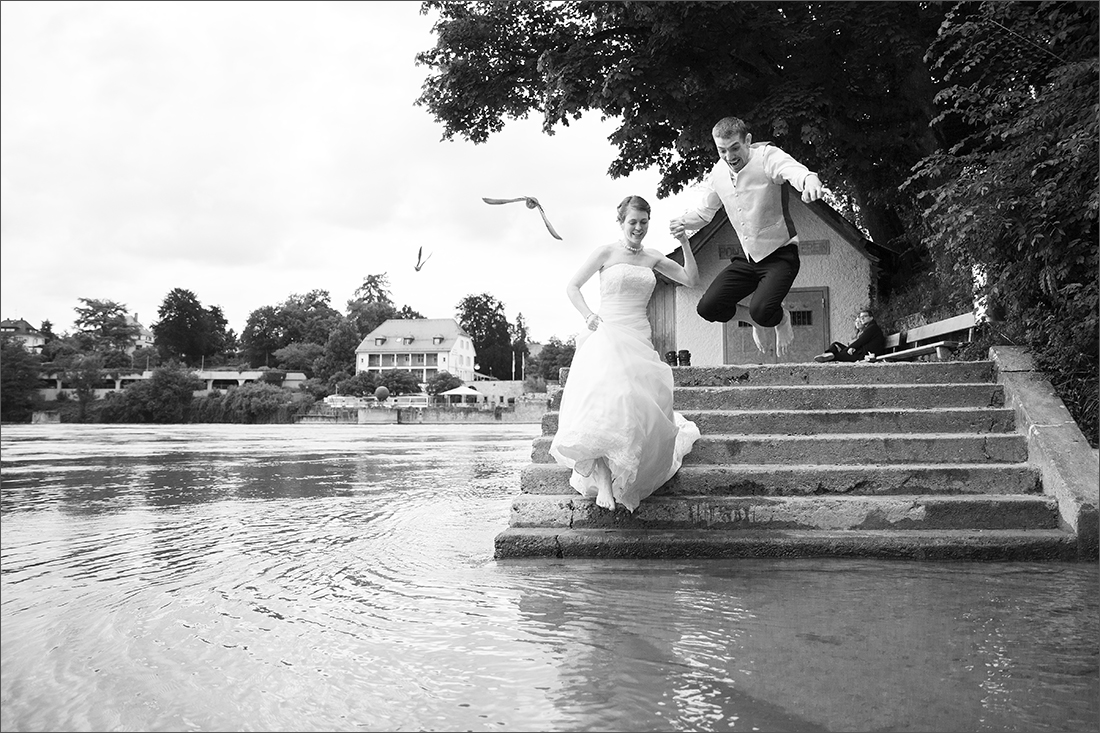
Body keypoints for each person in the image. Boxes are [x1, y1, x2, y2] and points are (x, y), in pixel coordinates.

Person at [549, 195, 702, 512]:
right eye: (633, 222)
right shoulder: (606, 252)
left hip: (638, 336)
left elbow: (691, 279)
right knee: (605, 403)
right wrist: (588, 315)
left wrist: (685, 241)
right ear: (621, 223)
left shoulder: (653, 257)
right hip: (606, 332)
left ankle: (626, 470)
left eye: (644, 222)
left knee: (632, 405)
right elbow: (572, 287)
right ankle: (603, 478)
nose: (638, 228)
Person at [669, 116, 826, 357]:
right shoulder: (718, 173)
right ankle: (754, 322)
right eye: (722, 150)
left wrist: (810, 182)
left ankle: (781, 318)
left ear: (748, 141)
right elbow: (704, 214)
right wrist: (682, 222)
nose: (730, 157)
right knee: (708, 308)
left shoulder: (767, 157)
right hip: (750, 259)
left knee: (763, 310)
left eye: (735, 148)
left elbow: (796, 171)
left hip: (781, 254)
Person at [814, 308, 886, 362]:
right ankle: (828, 354)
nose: (862, 319)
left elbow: (861, 341)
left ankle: (828, 355)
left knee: (837, 356)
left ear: (871, 317)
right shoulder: (869, 327)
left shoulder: (873, 327)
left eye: (865, 316)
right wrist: (850, 348)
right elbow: (861, 341)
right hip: (860, 352)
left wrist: (850, 348)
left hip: (863, 355)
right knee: (835, 344)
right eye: (861, 317)